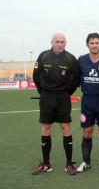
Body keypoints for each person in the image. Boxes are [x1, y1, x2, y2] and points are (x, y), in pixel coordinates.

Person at [32, 33, 81, 175]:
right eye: (57, 41)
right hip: (46, 96)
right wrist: (43, 92)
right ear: (51, 42)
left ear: (66, 43)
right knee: (45, 129)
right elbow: (36, 76)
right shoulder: (43, 56)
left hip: (63, 97)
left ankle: (69, 164)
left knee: (65, 128)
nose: (60, 44)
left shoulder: (70, 58)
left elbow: (77, 78)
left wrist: (67, 93)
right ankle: (46, 164)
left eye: (62, 42)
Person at [76, 33, 99, 173]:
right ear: (87, 45)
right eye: (92, 43)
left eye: (97, 43)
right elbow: (75, 77)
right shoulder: (81, 60)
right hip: (87, 101)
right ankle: (86, 162)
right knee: (87, 132)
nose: (94, 45)